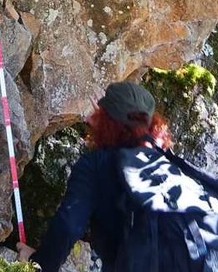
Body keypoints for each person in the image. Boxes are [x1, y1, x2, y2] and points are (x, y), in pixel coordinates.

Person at [16, 80, 172, 272]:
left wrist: (38, 262)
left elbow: (69, 226)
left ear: (106, 121)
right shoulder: (166, 164)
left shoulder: (96, 165)